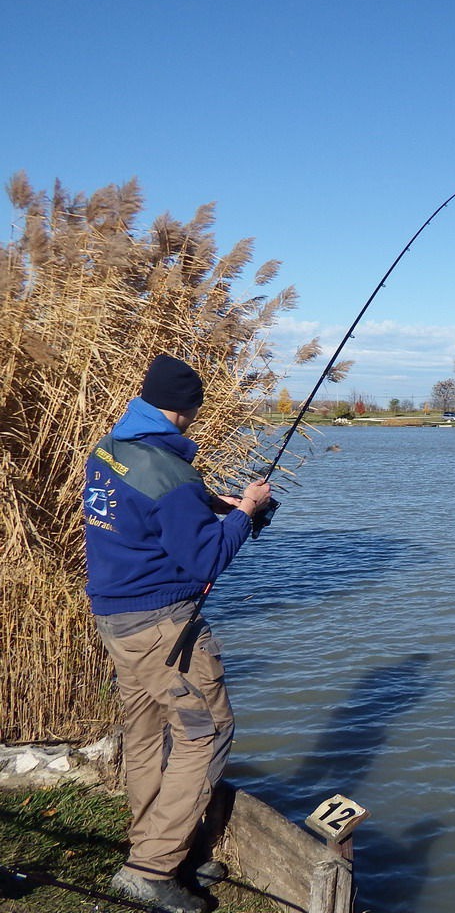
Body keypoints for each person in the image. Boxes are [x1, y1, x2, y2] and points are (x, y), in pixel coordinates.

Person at [83, 354, 272, 913]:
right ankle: (151, 868)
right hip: (165, 630)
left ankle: (156, 844)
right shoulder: (171, 473)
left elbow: (155, 507)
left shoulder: (111, 448)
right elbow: (206, 559)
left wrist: (218, 502)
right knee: (206, 732)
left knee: (146, 735)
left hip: (116, 621)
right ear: (186, 407)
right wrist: (247, 512)